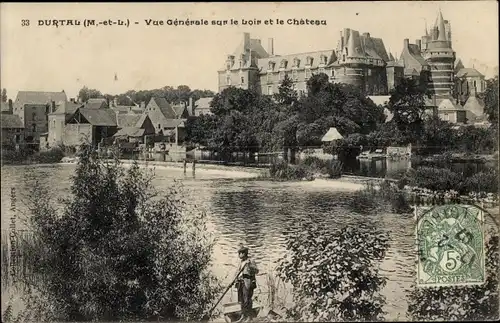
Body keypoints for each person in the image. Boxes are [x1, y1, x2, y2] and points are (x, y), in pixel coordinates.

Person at [232, 246, 259, 322]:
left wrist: (250, 265)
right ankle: (243, 316)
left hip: (247, 282)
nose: (239, 255)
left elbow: (257, 271)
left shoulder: (250, 261)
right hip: (240, 283)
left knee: (247, 300)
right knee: (241, 300)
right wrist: (234, 280)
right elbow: (237, 272)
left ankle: (249, 317)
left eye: (240, 253)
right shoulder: (240, 262)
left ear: (244, 253)